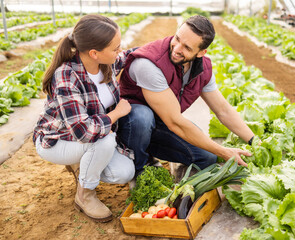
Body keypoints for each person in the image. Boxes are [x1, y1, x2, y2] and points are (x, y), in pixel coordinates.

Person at [117, 15, 255, 176]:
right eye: (177, 39)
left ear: (201, 52)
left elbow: (223, 110)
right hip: (131, 127)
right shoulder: (148, 64)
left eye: (187, 48)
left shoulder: (202, 70)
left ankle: (154, 155)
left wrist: (254, 141)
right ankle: (139, 168)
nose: (177, 49)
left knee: (209, 157)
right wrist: (223, 151)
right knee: (142, 117)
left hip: (162, 124)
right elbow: (175, 122)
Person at [33, 15, 135, 222]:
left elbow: (130, 55)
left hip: (89, 138)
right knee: (103, 140)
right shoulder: (66, 76)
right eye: (115, 48)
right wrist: (116, 113)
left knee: (124, 173)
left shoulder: (107, 64)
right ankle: (84, 195)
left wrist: (168, 45)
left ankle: (84, 164)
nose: (119, 51)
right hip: (58, 140)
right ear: (94, 53)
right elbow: (84, 131)